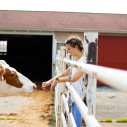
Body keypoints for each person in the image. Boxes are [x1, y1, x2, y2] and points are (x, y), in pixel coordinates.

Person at [42, 36, 84, 127]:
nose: (68, 52)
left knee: (76, 124)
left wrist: (57, 80)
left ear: (76, 47)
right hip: (73, 96)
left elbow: (75, 77)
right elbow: (63, 74)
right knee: (72, 122)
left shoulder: (84, 61)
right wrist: (49, 81)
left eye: (69, 49)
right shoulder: (75, 61)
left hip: (80, 97)